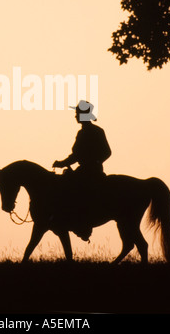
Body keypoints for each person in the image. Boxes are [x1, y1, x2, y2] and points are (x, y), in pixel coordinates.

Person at [52, 100, 112, 241]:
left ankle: (79, 223)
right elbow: (106, 152)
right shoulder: (94, 131)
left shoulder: (87, 133)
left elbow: (76, 155)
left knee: (68, 190)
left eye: (77, 113)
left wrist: (62, 163)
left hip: (89, 172)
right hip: (90, 169)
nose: (75, 116)